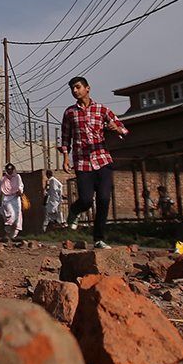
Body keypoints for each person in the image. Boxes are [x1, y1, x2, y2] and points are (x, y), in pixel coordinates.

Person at [59, 76, 128, 249]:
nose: (75, 91)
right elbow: (66, 137)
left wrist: (116, 129)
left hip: (103, 160)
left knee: (104, 199)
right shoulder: (70, 113)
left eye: (77, 87)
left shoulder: (102, 110)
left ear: (87, 88)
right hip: (82, 162)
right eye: (72, 89)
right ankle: (75, 210)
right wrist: (66, 157)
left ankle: (99, 239)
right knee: (86, 200)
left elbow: (123, 129)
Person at [0, 162, 24, 242]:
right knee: (11, 215)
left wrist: (20, 191)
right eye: (8, 169)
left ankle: (12, 236)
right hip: (6, 199)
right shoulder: (3, 179)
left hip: (16, 199)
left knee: (17, 217)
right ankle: (7, 234)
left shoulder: (17, 177)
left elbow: (20, 186)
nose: (10, 171)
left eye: (11, 169)